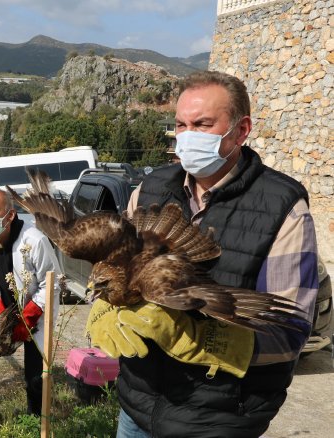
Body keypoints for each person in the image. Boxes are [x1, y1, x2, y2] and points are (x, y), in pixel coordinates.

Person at [89, 70, 318, 437]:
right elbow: (120, 266)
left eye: (203, 124)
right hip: (139, 407)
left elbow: (288, 332)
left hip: (219, 418)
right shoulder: (149, 189)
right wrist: (108, 306)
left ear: (241, 130)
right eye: (181, 125)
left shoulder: (283, 207)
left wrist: (196, 338)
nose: (188, 136)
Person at [0, 188, 62, 416]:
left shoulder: (34, 240)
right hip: (1, 310)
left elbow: (52, 282)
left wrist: (28, 318)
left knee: (36, 373)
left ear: (11, 215)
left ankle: (36, 416)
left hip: (35, 311)